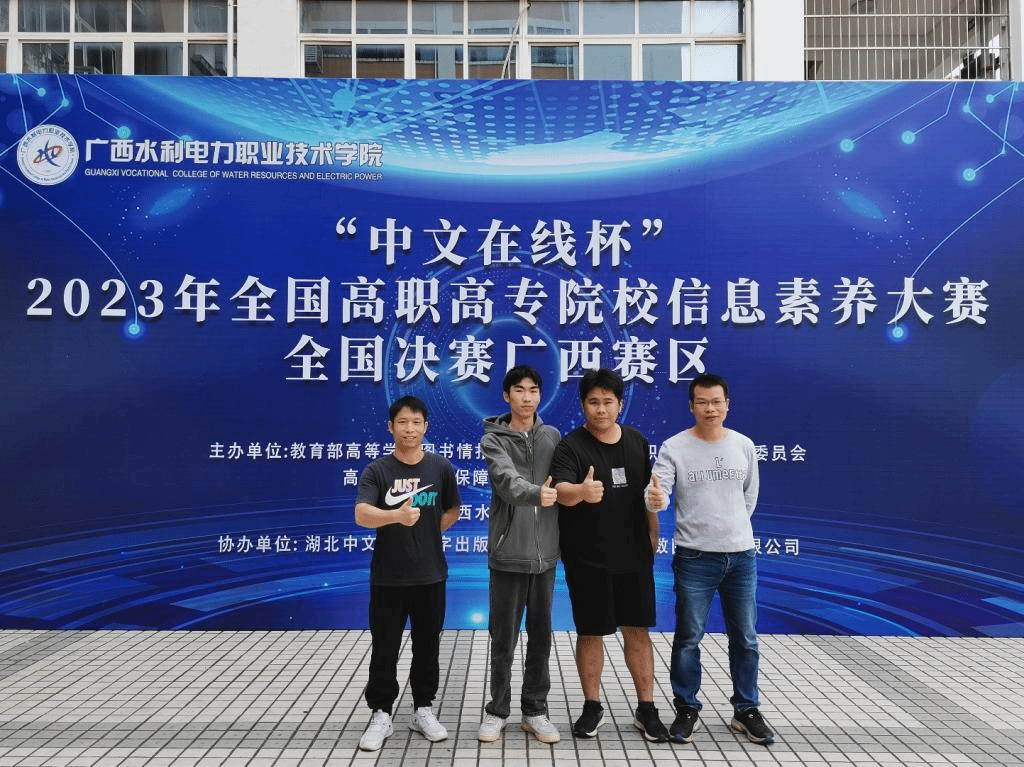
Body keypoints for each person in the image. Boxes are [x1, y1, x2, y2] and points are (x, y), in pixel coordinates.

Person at [645, 373, 774, 746]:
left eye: (717, 402)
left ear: (727, 405)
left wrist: (731, 531)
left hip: (741, 556)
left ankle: (746, 710)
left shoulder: (743, 445)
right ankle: (687, 709)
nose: (710, 409)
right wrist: (656, 500)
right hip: (695, 557)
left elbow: (749, 496)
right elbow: (658, 492)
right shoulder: (675, 447)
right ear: (691, 406)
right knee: (688, 637)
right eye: (702, 402)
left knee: (745, 637)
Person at [550, 367, 671, 743]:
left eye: (607, 401)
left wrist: (653, 531)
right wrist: (581, 492)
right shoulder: (570, 446)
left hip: (634, 555)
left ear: (619, 404)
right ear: (583, 405)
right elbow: (561, 491)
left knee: (637, 630)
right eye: (593, 402)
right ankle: (592, 705)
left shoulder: (637, 441)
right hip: (587, 558)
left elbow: (649, 492)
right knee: (591, 633)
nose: (600, 409)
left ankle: (647, 708)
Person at [354, 395, 461, 752]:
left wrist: (427, 533)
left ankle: (423, 710)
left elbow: (453, 509)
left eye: (416, 422)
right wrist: (396, 517)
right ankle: (381, 713)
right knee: (384, 648)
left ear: (426, 426)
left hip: (431, 576)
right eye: (402, 422)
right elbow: (362, 514)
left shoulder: (440, 468)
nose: (410, 429)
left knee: (427, 648)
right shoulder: (378, 471)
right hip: (388, 578)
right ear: (391, 427)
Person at [477, 365, 562, 744]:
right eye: (519, 390)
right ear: (506, 396)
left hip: (546, 558)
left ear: (540, 395)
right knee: (503, 639)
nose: (527, 397)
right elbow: (507, 482)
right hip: (508, 554)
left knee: (541, 638)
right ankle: (497, 711)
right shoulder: (493, 440)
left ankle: (535, 711)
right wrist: (536, 494)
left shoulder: (552, 437)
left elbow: (567, 481)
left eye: (533, 390)